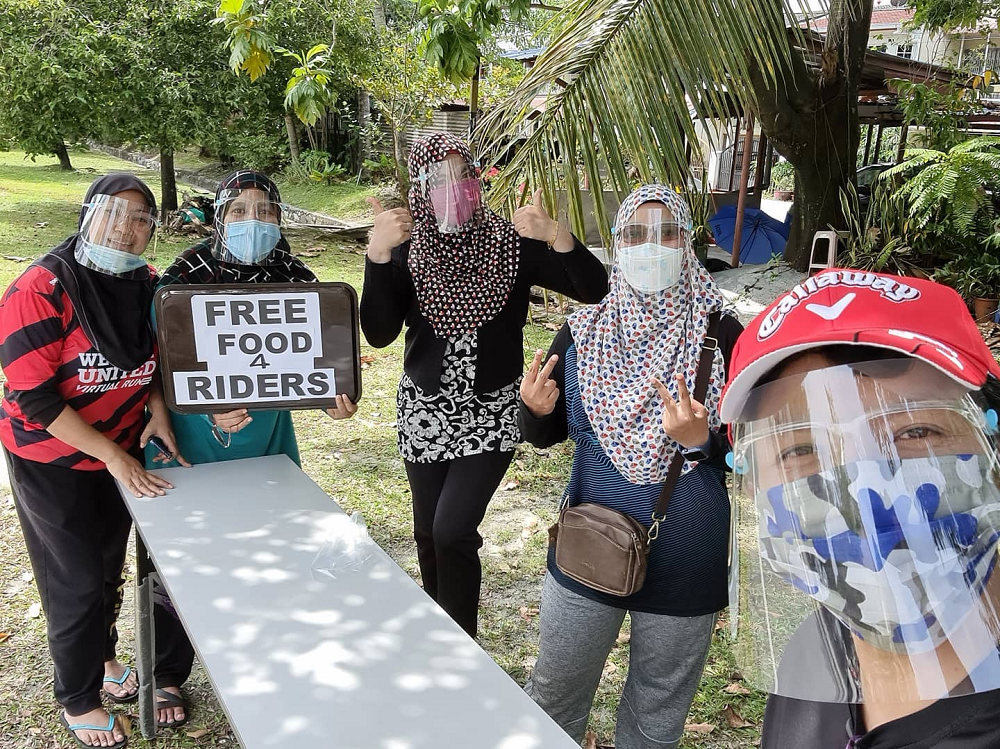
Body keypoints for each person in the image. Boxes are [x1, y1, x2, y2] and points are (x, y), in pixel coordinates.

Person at [720, 268, 1000, 748]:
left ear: (990, 446)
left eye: (915, 432)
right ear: (751, 487)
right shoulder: (817, 651)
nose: (862, 484)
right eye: (800, 449)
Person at [518, 184, 743, 748]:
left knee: (656, 713)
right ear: (617, 245)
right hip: (591, 544)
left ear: (689, 243)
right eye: (637, 233)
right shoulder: (584, 330)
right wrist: (532, 412)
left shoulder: (724, 332)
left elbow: (753, 454)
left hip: (689, 552)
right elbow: (549, 434)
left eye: (668, 232)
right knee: (554, 696)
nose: (652, 245)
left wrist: (703, 442)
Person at [360, 132, 608, 637]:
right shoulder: (409, 250)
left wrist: (555, 233)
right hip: (424, 409)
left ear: (478, 181)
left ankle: (461, 646)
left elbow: (593, 287)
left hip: (492, 410)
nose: (455, 188)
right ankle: (439, 634)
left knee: (453, 530)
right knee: (428, 535)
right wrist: (378, 254)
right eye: (439, 178)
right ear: (420, 190)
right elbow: (379, 333)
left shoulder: (510, 245)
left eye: (463, 175)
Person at [144, 169, 357, 728]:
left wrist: (332, 397)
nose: (253, 222)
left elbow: (321, 356)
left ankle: (264, 654)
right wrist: (203, 400)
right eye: (239, 211)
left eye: (265, 211)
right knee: (179, 557)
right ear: (218, 217)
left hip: (265, 437)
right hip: (187, 437)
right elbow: (155, 362)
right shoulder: (182, 278)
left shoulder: (297, 279)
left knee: (272, 547)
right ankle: (167, 673)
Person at [0, 174, 187, 749]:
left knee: (108, 571)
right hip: (52, 458)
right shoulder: (41, 288)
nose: (128, 230)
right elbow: (33, 397)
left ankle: (103, 659)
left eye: (142, 220)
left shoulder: (147, 284)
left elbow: (155, 361)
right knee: (75, 581)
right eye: (117, 214)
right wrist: (111, 456)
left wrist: (154, 408)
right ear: (88, 214)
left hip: (122, 449)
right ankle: (78, 700)